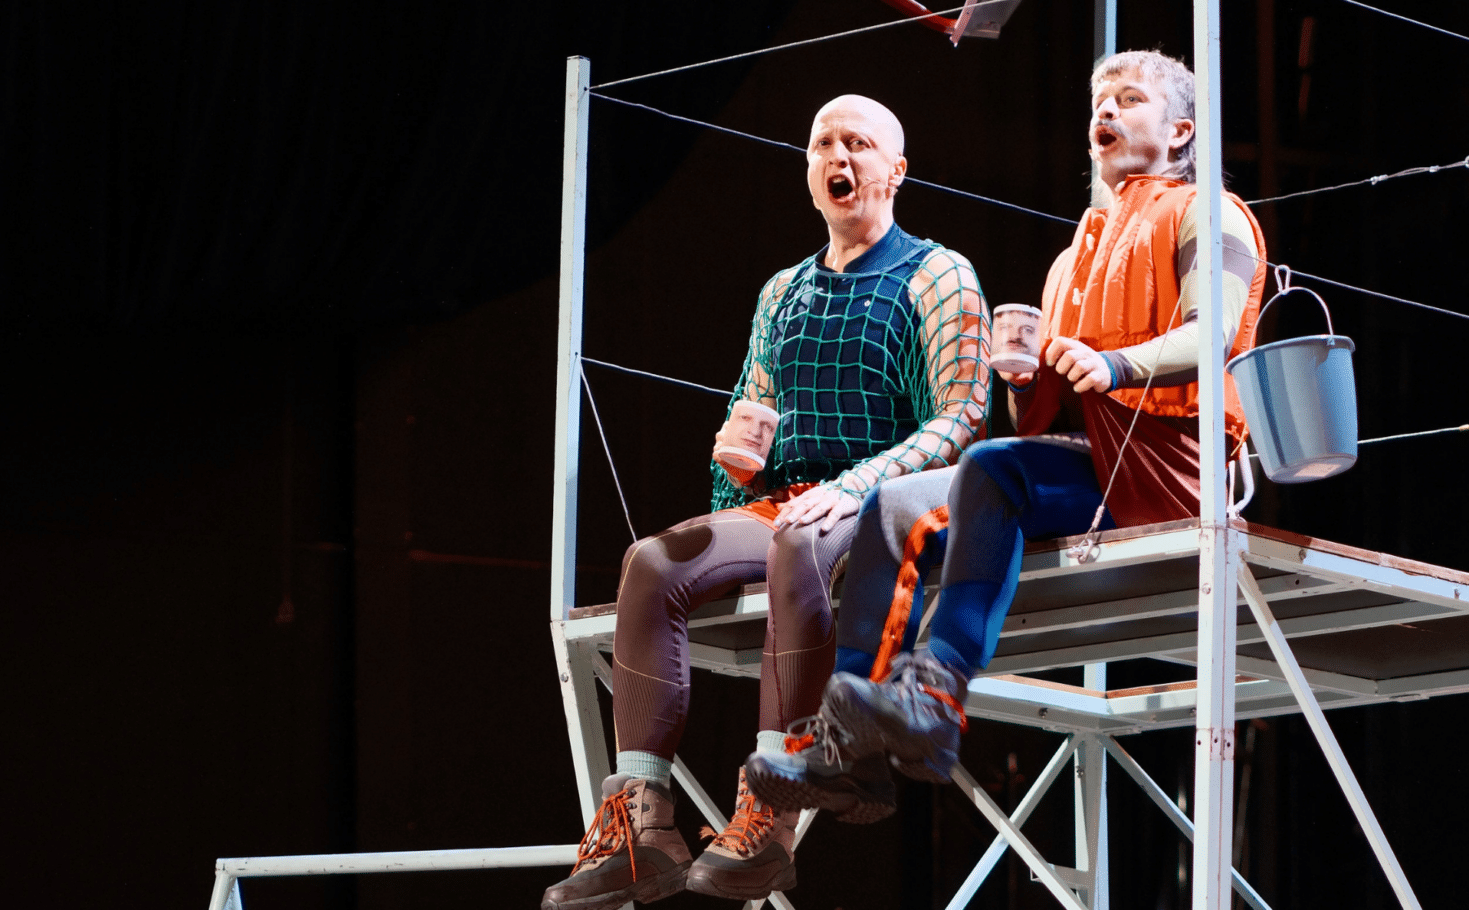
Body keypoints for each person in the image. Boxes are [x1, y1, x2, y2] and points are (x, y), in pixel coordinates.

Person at [745, 50, 1268, 814]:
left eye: (1129, 98)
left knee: (993, 469)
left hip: (1175, 468)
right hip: (1097, 463)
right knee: (890, 506)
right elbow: (1037, 423)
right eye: (1100, 99)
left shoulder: (1208, 211)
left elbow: (1213, 331)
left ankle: (937, 694)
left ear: (1181, 129)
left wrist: (1114, 365)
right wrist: (1025, 384)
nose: (1106, 110)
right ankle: (846, 740)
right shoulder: (1075, 257)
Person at [541, 94, 990, 910]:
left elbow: (961, 419)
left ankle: (769, 812)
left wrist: (853, 486)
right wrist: (737, 472)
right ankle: (643, 826)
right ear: (809, 172)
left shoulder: (937, 273)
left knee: (798, 541)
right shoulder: (782, 292)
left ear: (896, 170)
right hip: (791, 501)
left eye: (859, 144)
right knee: (651, 563)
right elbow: (752, 419)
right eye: (824, 144)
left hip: (884, 505)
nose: (839, 157)